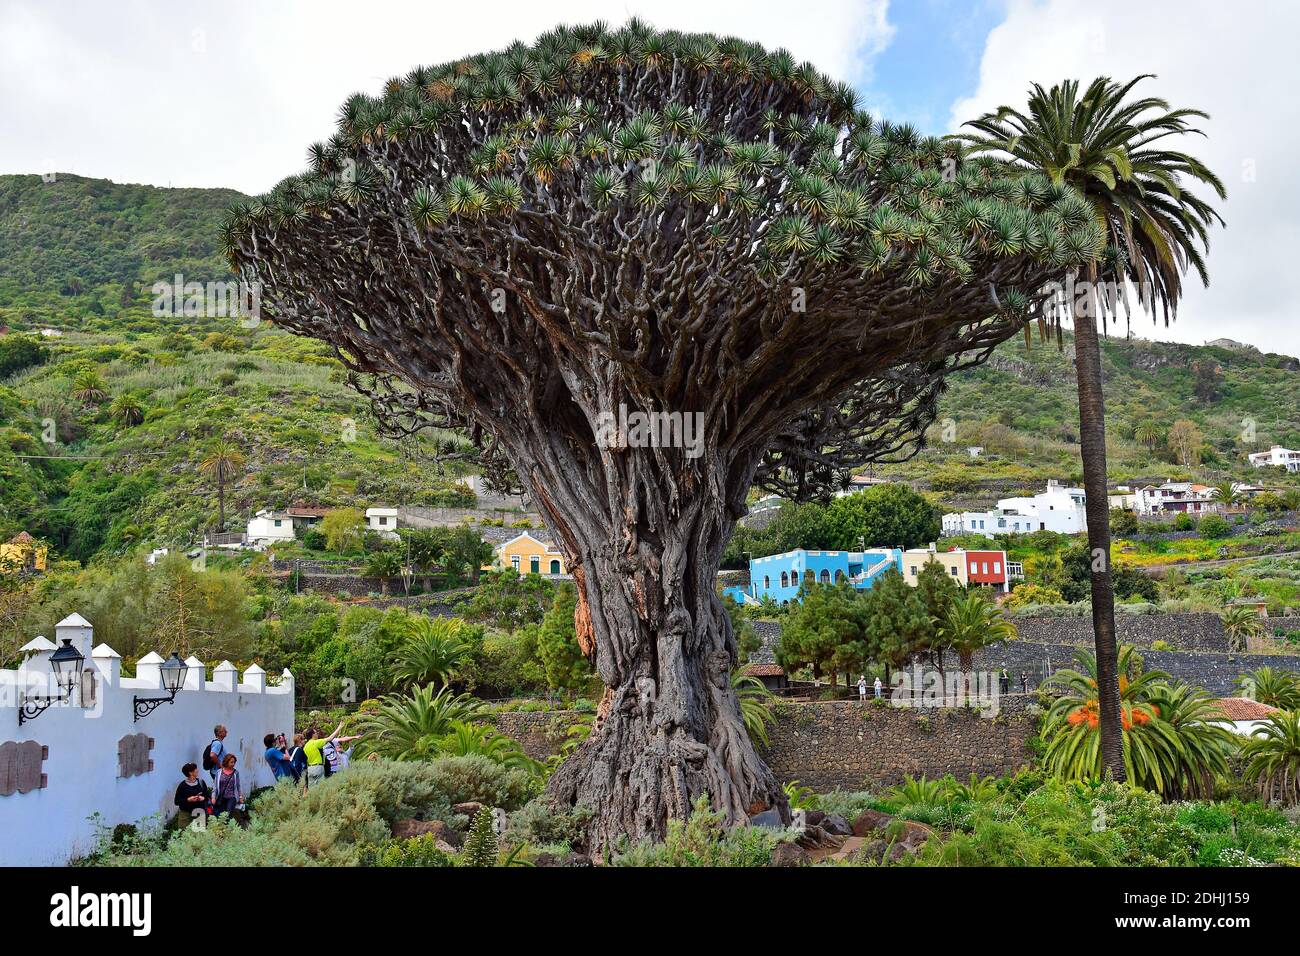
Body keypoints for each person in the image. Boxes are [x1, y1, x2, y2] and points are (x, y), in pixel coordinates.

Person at [302, 719, 344, 787]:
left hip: (310, 769)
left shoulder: (305, 746)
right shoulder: (316, 742)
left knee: (312, 789)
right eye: (315, 732)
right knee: (320, 788)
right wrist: (339, 727)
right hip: (318, 768)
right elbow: (330, 738)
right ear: (313, 734)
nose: (317, 734)